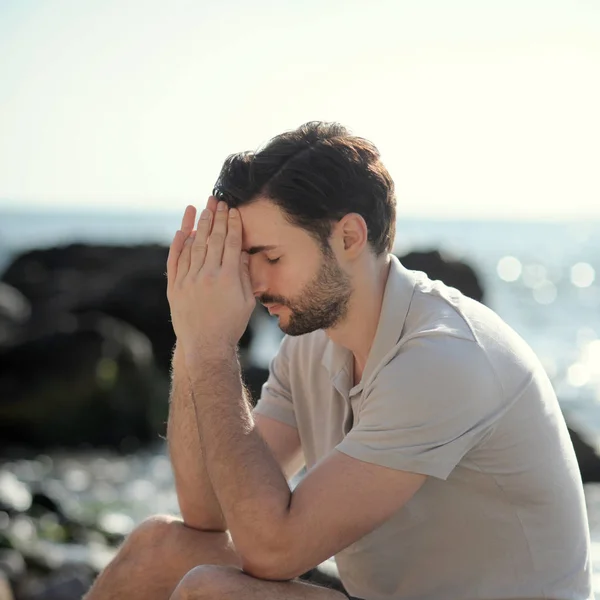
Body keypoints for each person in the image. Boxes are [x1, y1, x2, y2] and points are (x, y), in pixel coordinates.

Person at [84, 122, 593, 600]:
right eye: (245, 260)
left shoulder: (442, 357)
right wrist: (193, 341)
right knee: (159, 548)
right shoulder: (311, 341)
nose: (254, 283)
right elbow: (207, 508)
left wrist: (217, 350)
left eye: (272, 257)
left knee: (209, 592)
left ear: (348, 237)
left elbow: (273, 551)